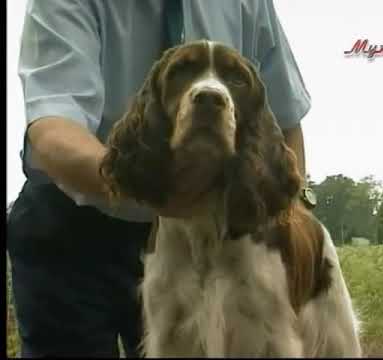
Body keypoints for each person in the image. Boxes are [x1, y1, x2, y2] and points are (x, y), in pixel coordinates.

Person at [7, 0, 311, 357]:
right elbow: (52, 129)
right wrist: (147, 189)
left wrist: (285, 220)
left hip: (207, 236)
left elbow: (285, 119)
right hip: (71, 228)